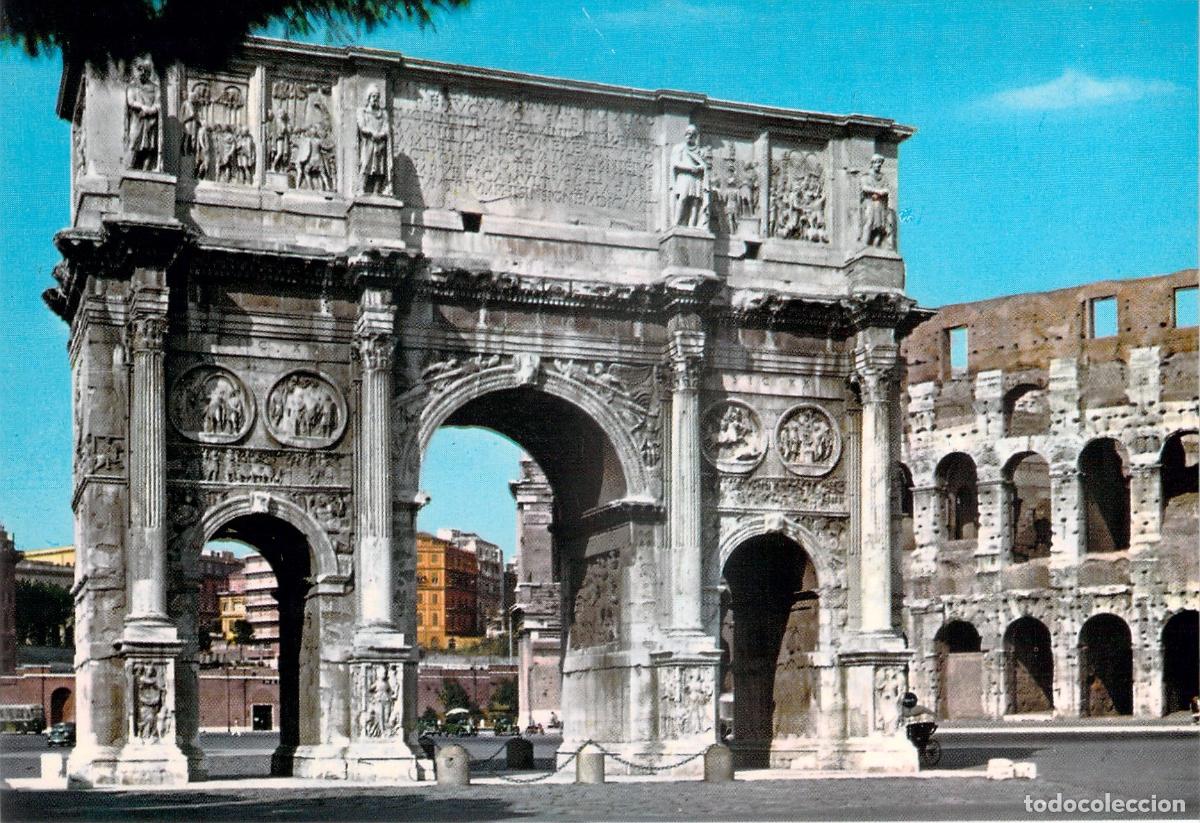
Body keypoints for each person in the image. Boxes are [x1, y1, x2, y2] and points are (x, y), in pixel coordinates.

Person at [670, 125, 708, 228]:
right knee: (682, 199)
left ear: (695, 136)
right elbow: (676, 164)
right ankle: (676, 223)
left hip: (696, 178)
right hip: (684, 177)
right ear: (685, 135)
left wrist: (699, 168)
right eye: (688, 134)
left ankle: (692, 226)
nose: (690, 136)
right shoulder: (680, 148)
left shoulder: (700, 151)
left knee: (695, 203)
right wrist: (691, 168)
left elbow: (704, 166)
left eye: (692, 134)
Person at [357, 85, 390, 194]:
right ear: (368, 98)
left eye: (377, 97)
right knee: (366, 164)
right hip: (368, 143)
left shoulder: (383, 114)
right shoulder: (363, 112)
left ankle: (377, 191)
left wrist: (381, 134)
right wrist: (372, 132)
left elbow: (386, 128)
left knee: (379, 168)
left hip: (380, 143)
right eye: (373, 96)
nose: (375, 99)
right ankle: (361, 188)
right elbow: (362, 126)